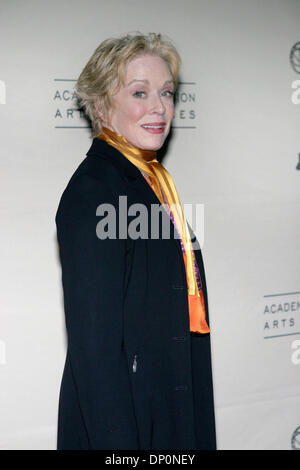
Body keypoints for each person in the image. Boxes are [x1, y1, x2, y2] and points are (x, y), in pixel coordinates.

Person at [55, 32, 216, 450]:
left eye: (166, 93)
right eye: (140, 93)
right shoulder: (95, 191)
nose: (159, 107)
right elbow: (95, 353)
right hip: (126, 428)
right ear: (101, 102)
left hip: (167, 410)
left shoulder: (154, 184)